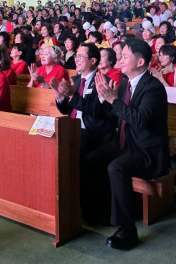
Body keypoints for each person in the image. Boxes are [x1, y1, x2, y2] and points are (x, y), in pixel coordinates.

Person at [86, 39, 169, 250]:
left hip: (146, 149)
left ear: (140, 62)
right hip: (126, 142)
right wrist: (106, 100)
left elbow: (140, 120)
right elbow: (117, 119)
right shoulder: (125, 83)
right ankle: (107, 211)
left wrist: (114, 100)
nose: (120, 60)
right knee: (92, 160)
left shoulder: (154, 88)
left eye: (124, 56)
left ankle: (128, 230)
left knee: (116, 168)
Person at [51, 43, 115, 224]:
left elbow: (96, 111)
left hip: (95, 133)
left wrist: (72, 96)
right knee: (50, 147)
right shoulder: (76, 80)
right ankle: (62, 205)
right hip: (74, 128)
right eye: (76, 56)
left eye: (80, 56)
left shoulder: (102, 80)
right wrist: (61, 97)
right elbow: (65, 110)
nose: (76, 60)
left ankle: (88, 210)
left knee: (72, 155)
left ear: (93, 61)